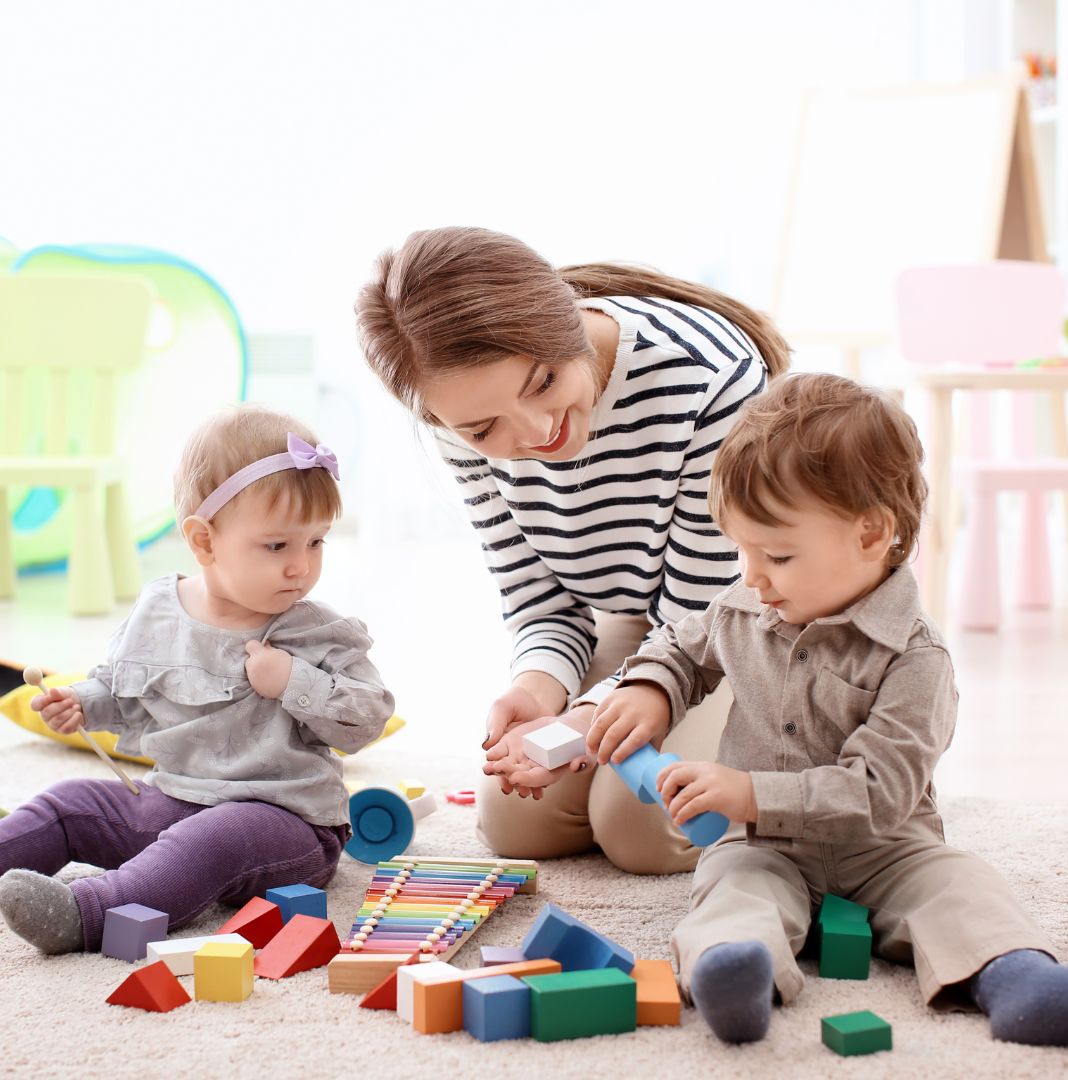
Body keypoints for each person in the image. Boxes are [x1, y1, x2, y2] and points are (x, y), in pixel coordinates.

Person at [571, 372, 1068, 1047]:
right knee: (730, 888)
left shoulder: (917, 659)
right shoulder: (747, 605)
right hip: (764, 847)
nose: (751, 575)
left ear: (871, 535)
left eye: (776, 554)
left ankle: (1017, 977)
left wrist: (751, 792)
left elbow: (880, 793)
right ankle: (733, 971)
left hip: (887, 848)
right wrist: (651, 688)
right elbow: (682, 644)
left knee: (961, 885)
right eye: (741, 551)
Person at [356, 226, 789, 873]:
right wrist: (539, 689)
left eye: (543, 382)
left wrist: (586, 719)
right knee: (518, 820)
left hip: (742, 623)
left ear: (567, 325)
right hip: (644, 619)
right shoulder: (457, 423)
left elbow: (700, 621)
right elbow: (541, 603)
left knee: (643, 826)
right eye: (483, 428)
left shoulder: (707, 377)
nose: (535, 432)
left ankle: (800, 760)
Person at [0, 406, 395, 954]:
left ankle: (88, 913)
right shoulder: (160, 609)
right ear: (205, 542)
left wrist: (293, 681)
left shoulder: (315, 630)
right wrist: (84, 704)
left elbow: (367, 719)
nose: (301, 567)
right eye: (278, 545)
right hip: (172, 798)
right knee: (69, 803)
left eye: (317, 542)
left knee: (207, 842)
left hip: (283, 825)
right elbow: (125, 691)